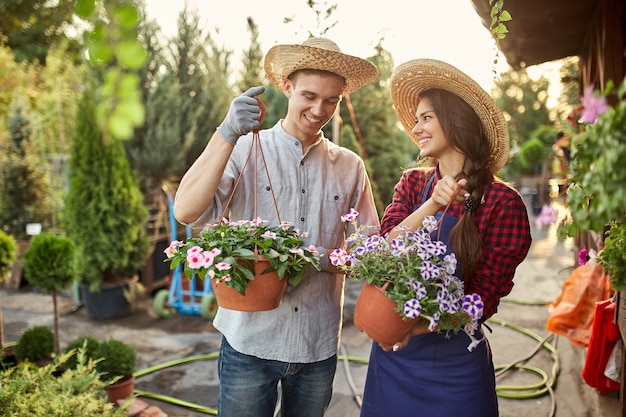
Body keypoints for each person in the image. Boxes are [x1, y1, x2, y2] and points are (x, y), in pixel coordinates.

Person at [173, 37, 380, 417]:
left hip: (317, 346)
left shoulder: (350, 166)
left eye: (331, 100)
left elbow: (369, 250)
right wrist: (225, 132)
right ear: (287, 86)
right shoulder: (245, 147)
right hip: (249, 343)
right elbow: (186, 211)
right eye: (309, 95)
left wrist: (317, 256)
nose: (320, 109)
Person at [359, 59, 532, 417]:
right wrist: (433, 204)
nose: (416, 128)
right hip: (393, 362)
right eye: (416, 119)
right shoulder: (411, 185)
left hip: (457, 372)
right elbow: (387, 247)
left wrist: (417, 328)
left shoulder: (502, 203)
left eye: (426, 118)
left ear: (456, 121)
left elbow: (483, 299)